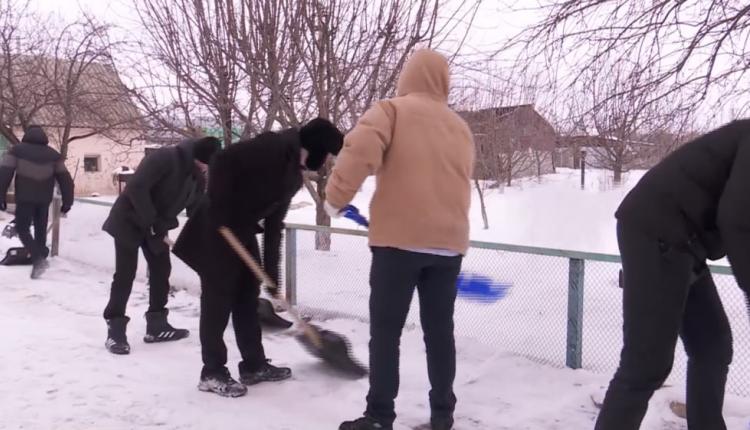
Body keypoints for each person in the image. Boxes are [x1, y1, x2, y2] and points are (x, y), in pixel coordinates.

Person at [325, 49, 475, 430]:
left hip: (399, 244)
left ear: (408, 75)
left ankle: (379, 416)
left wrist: (335, 199)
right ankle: (443, 416)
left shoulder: (392, 110)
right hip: (448, 248)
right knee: (440, 333)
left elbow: (358, 150)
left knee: (386, 332)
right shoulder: (460, 126)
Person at [595, 119, 750, 430]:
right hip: (656, 230)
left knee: (712, 346)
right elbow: (736, 219)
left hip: (685, 241)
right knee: (646, 365)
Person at [172, 117, 344, 398]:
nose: (326, 162)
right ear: (315, 148)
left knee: (247, 297)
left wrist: (272, 276)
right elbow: (223, 160)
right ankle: (212, 372)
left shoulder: (293, 176)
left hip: (242, 230)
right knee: (217, 301)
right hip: (216, 226)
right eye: (326, 155)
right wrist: (219, 209)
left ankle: (253, 365)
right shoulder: (273, 146)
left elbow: (275, 226)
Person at [101, 136, 221, 355]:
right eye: (204, 164)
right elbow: (136, 188)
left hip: (156, 225)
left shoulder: (198, 176)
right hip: (129, 221)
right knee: (125, 274)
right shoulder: (165, 158)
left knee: (161, 270)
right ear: (197, 157)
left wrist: (209, 236)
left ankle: (157, 324)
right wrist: (152, 221)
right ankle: (115, 327)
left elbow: (196, 210)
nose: (205, 169)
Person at [0, 125, 74, 279]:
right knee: (41, 230)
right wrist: (68, 201)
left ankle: (37, 259)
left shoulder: (16, 151)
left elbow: (4, 174)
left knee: (22, 229)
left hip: (25, 198)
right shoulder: (54, 155)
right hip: (44, 199)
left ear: (27, 136)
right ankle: (38, 262)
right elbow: (66, 180)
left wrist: (1, 196)